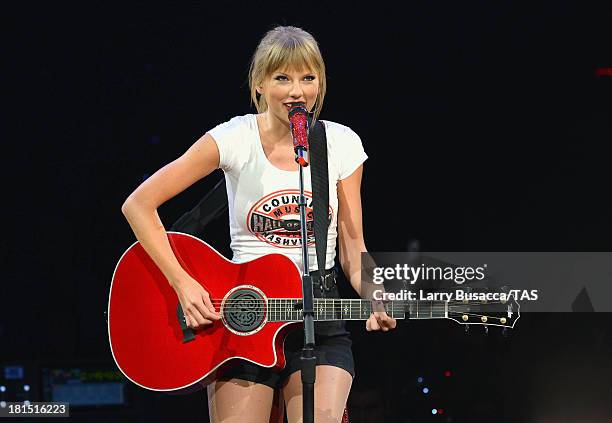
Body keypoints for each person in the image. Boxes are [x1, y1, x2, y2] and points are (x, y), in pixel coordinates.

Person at [121, 25, 396, 423]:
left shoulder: (341, 144)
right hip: (242, 321)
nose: (296, 91)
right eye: (283, 78)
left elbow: (354, 249)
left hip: (319, 317)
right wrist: (183, 283)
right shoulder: (234, 138)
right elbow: (138, 205)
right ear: (260, 84)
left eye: (308, 77)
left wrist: (376, 292)